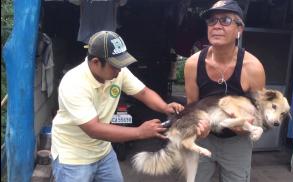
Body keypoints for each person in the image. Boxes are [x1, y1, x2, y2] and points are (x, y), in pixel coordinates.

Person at [51, 31, 184, 182]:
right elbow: (93, 129)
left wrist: (165, 108)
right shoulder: (74, 83)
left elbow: (143, 93)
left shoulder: (118, 71)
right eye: (115, 66)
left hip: (103, 151)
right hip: (73, 157)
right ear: (95, 62)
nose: (120, 70)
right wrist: (140, 132)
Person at [184, 0, 266, 182]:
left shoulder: (253, 68)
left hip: (237, 142)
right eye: (212, 21)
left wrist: (244, 128)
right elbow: (192, 105)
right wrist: (197, 125)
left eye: (226, 20)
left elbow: (259, 114)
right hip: (204, 137)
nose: (217, 26)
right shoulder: (193, 64)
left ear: (239, 29)